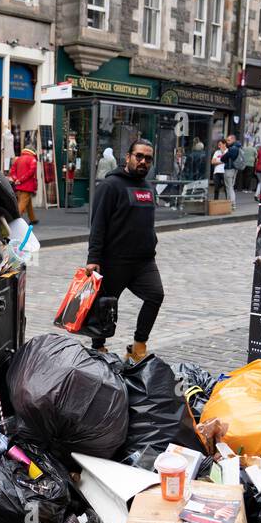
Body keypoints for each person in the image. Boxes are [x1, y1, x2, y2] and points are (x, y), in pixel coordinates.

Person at [85, 138, 163, 363]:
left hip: (144, 262)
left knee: (156, 295)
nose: (143, 161)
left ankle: (138, 345)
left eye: (148, 158)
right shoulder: (110, 186)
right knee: (105, 308)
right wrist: (94, 258)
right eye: (139, 156)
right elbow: (98, 223)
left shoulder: (148, 188)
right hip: (114, 261)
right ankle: (98, 348)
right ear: (128, 157)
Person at [8, 146, 39, 224]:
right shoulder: (32, 159)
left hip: (19, 185)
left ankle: (33, 219)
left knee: (28, 203)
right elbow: (31, 172)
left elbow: (12, 171)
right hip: (27, 185)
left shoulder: (18, 159)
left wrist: (16, 179)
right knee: (22, 204)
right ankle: (14, 220)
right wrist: (21, 179)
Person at [222, 134, 241, 207]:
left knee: (229, 187)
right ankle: (231, 203)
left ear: (233, 140)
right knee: (231, 186)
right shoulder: (238, 147)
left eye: (228, 140)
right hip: (235, 169)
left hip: (229, 169)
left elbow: (223, 158)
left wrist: (224, 156)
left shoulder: (232, 148)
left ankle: (231, 203)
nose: (227, 142)